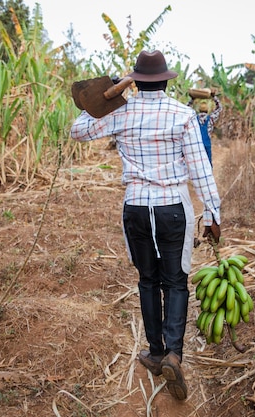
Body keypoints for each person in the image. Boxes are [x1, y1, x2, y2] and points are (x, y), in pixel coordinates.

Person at [70, 50, 221, 401]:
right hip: (172, 208)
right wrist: (212, 215)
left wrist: (106, 94)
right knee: (176, 281)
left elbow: (78, 131)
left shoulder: (121, 112)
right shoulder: (182, 115)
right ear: (167, 80)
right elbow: (201, 171)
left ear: (134, 81)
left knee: (148, 280)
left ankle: (155, 352)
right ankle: (174, 354)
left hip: (137, 207)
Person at [187, 90, 222, 165]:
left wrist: (192, 99)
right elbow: (219, 108)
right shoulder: (211, 118)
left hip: (196, 145)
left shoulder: (193, 118)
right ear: (207, 110)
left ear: (199, 110)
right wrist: (214, 97)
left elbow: (186, 109)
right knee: (208, 164)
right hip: (207, 144)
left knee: (196, 164)